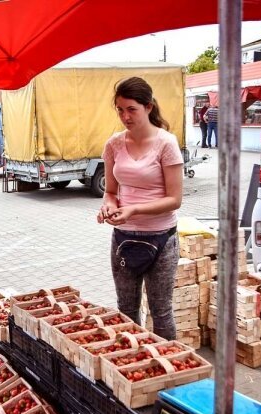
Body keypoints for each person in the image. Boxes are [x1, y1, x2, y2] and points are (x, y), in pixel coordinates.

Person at [97, 77, 183, 341]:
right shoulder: (113, 144)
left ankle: (169, 373)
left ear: (148, 107)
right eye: (120, 110)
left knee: (161, 311)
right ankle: (131, 365)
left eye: (131, 109)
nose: (125, 116)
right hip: (124, 238)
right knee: (126, 310)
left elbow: (174, 199)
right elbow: (111, 192)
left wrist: (133, 210)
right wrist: (109, 208)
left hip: (161, 239)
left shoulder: (166, 143)